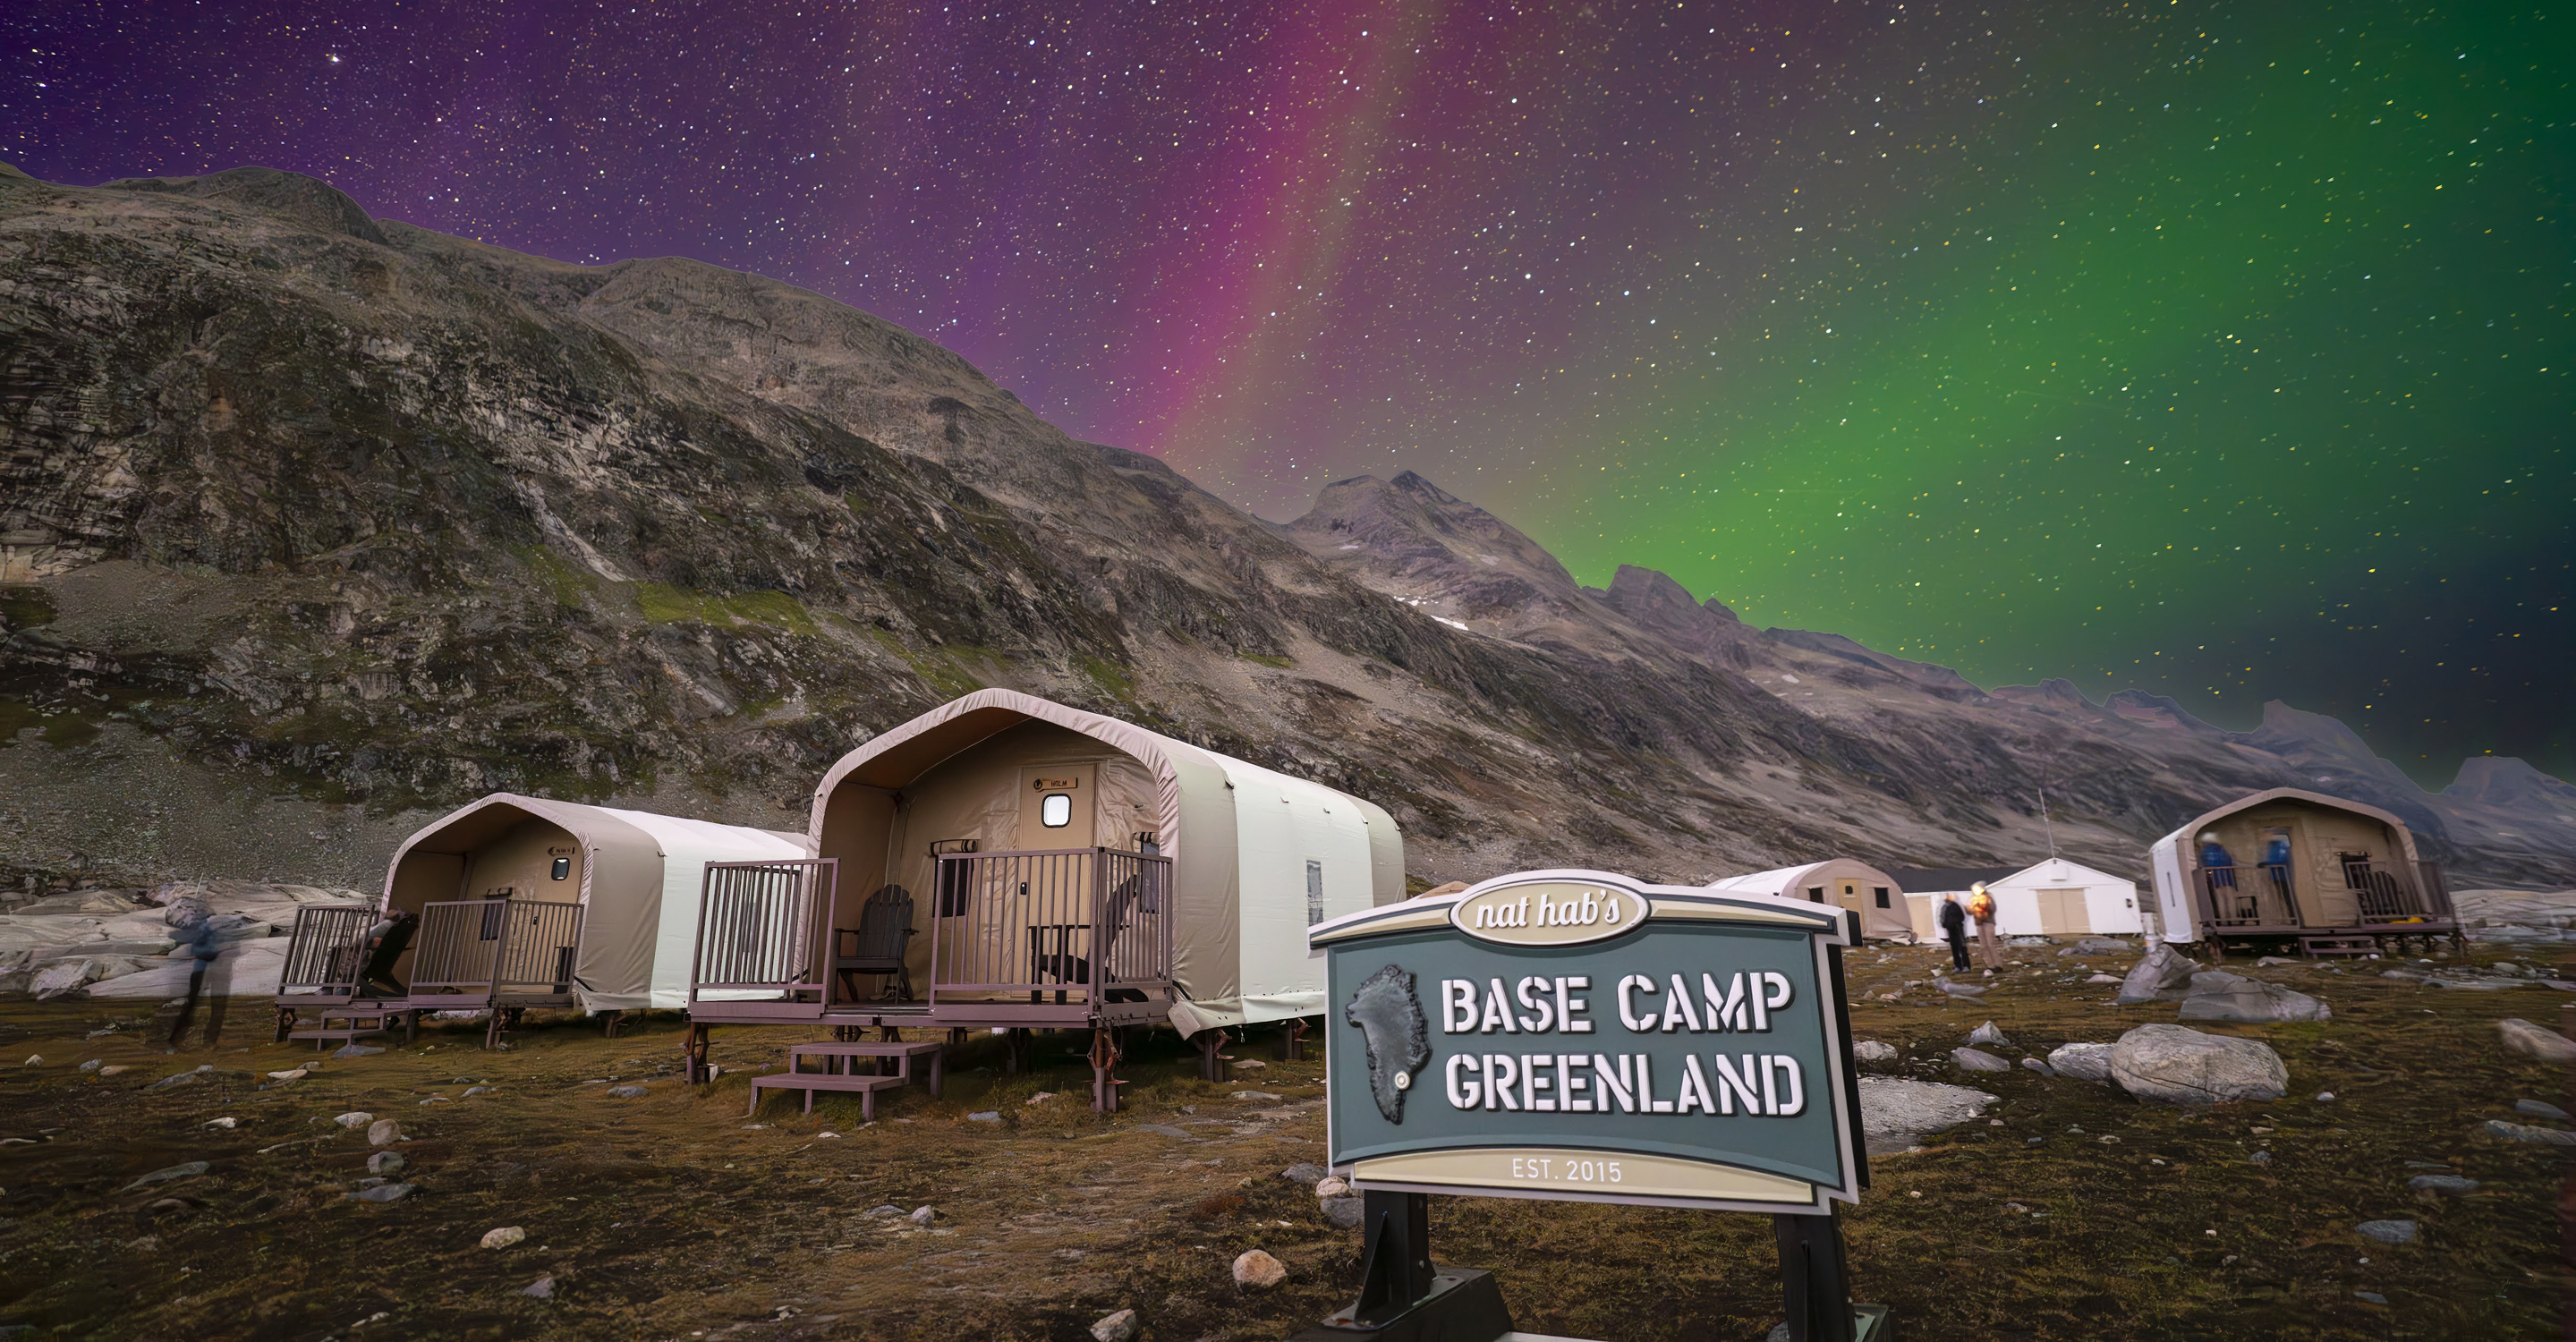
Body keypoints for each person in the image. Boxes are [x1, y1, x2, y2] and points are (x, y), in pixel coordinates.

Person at [166, 896, 228, 1050]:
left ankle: (178, 1038)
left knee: (194, 1005)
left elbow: (198, 949)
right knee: (216, 1007)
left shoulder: (201, 928)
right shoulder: (210, 928)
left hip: (203, 970)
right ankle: (208, 1041)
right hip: (215, 971)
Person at [357, 907, 419, 1000]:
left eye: (396, 910)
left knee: (335, 953)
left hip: (367, 960)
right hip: (383, 961)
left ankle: (328, 989)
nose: (392, 910)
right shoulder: (400, 929)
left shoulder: (388, 925)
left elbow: (369, 941)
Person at [1968, 881, 2003, 971]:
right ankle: (1990, 965)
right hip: (1979, 923)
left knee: (1990, 944)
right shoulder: (1973, 899)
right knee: (1983, 945)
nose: (1976, 891)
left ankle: (1997, 965)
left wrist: (1982, 905)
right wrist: (1971, 908)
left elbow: (1992, 909)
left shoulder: (1988, 898)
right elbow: (1969, 911)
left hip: (1988, 922)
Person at [1938, 892, 1970, 973]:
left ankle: (1966, 965)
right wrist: (1946, 925)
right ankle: (1958, 966)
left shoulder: (1955, 906)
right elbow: (1943, 918)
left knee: (1962, 947)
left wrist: (1954, 923)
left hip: (1957, 928)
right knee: (1954, 948)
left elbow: (1961, 917)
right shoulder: (1945, 907)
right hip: (1951, 929)